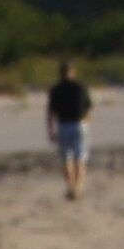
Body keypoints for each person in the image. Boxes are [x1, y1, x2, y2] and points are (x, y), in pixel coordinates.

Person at [45, 59, 93, 200]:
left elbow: (50, 113)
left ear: (61, 73)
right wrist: (87, 122)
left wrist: (50, 130)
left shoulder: (56, 89)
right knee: (80, 158)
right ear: (73, 72)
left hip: (64, 125)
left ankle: (71, 187)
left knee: (66, 159)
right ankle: (78, 187)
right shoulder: (81, 87)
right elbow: (89, 108)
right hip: (79, 124)